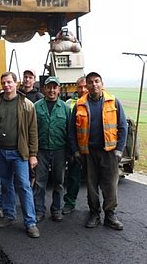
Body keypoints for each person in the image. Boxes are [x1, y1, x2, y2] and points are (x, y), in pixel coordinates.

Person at [69, 72, 128, 230]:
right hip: (89, 153)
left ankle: (110, 214)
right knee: (91, 185)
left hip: (109, 152)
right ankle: (94, 213)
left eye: (97, 81)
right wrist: (76, 151)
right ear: (86, 86)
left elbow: (123, 127)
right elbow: (72, 131)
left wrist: (119, 150)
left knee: (110, 185)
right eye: (90, 82)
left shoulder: (113, 102)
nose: (94, 84)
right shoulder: (79, 105)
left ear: (102, 84)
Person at [0, 71, 40, 238]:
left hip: (19, 153)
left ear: (16, 84)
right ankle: (9, 216)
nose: (6, 85)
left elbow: (33, 131)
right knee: (6, 185)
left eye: (9, 82)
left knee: (24, 186)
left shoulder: (26, 105)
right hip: (1, 152)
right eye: (4, 83)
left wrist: (33, 154)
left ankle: (30, 222)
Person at [33, 76, 71, 222]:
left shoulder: (65, 109)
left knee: (59, 182)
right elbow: (32, 130)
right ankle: (39, 211)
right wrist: (33, 152)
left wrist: (70, 152)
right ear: (44, 89)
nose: (51, 90)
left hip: (59, 150)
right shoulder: (36, 107)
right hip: (41, 150)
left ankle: (56, 209)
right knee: (40, 182)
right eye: (49, 87)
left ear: (59, 90)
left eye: (55, 87)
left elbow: (70, 132)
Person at [62, 76, 88, 215]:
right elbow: (68, 128)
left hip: (92, 148)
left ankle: (94, 207)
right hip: (75, 148)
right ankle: (70, 202)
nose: (82, 89)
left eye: (85, 86)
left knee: (93, 179)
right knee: (73, 176)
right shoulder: (68, 104)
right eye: (79, 87)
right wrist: (71, 149)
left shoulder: (95, 102)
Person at [18, 69, 44, 186]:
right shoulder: (17, 95)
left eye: (30, 77)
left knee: (32, 164)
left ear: (34, 80)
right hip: (19, 136)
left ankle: (32, 184)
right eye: (25, 77)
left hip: (33, 135)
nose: (27, 79)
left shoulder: (39, 97)